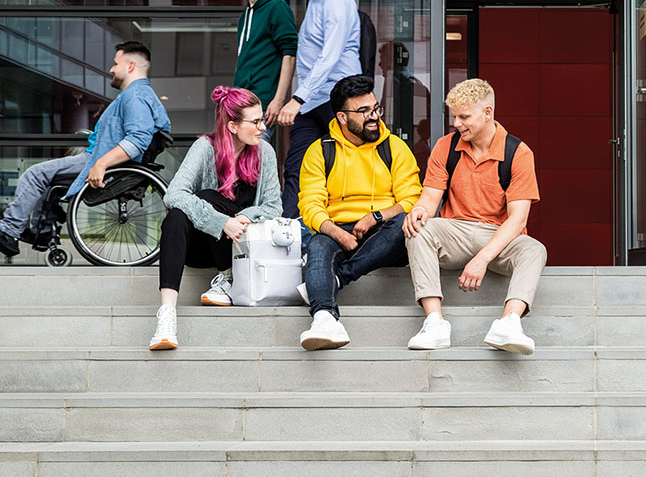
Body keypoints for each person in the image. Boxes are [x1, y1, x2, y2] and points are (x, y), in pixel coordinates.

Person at [403, 78, 547, 355]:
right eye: (454, 117)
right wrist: (420, 209)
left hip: (498, 235)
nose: (457, 123)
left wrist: (482, 259)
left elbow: (518, 220)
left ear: (487, 113)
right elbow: (430, 198)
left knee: (534, 249)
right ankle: (435, 322)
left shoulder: (518, 153)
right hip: (455, 230)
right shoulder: (446, 147)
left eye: (464, 117)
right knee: (418, 228)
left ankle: (509, 322)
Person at [0, 41, 170, 257]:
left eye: (115, 63)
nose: (111, 69)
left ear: (130, 66)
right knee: (46, 176)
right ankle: (41, 230)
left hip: (102, 163)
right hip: (100, 160)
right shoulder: (135, 96)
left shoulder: (135, 96)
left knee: (35, 174)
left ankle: (8, 231)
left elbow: (137, 140)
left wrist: (101, 163)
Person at [149, 87, 282, 350]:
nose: (262, 127)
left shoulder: (264, 152)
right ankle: (167, 315)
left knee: (205, 198)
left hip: (242, 249)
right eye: (255, 122)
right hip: (202, 248)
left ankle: (228, 277)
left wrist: (242, 217)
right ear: (232, 126)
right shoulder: (205, 147)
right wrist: (221, 222)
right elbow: (174, 194)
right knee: (179, 215)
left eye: (262, 120)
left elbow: (274, 207)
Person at [297, 74, 422, 350]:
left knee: (404, 223)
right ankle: (324, 318)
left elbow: (412, 199)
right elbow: (310, 205)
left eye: (375, 108)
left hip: (383, 232)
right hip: (338, 229)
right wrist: (338, 234)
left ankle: (338, 278)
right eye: (364, 111)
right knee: (318, 244)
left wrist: (377, 216)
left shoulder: (394, 147)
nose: (374, 116)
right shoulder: (320, 151)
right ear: (342, 117)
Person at [276, 0, 362, 221]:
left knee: (347, 170)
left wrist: (297, 98)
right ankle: (287, 230)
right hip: (312, 101)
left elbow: (330, 56)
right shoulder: (315, 2)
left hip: (338, 99)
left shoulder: (337, 0)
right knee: (296, 167)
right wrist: (301, 98)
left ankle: (346, 232)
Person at [232, 0, 297, 138]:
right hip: (241, 105)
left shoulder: (277, 7)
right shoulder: (245, 16)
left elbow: (290, 54)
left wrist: (278, 100)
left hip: (262, 105)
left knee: (256, 155)